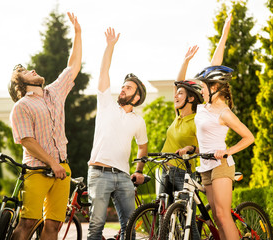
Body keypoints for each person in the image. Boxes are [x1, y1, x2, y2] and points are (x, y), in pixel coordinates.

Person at [8, 12, 81, 240]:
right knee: (28, 222)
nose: (33, 70)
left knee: (53, 226)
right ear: (21, 84)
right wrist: (52, 163)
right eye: (27, 72)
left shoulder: (55, 92)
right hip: (37, 170)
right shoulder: (21, 106)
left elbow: (74, 66)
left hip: (62, 168)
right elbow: (27, 141)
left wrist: (78, 33)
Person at [191, 14, 255, 240]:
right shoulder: (204, 106)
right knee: (216, 218)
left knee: (223, 214)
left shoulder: (224, 112)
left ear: (215, 87)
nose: (201, 90)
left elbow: (249, 138)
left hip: (221, 164)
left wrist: (228, 151)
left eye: (204, 86)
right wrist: (225, 30)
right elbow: (215, 62)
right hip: (205, 165)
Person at [87, 27, 148, 240]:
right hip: (99, 173)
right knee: (95, 227)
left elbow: (143, 145)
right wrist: (109, 46)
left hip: (123, 177)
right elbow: (104, 72)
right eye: (123, 86)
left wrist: (138, 169)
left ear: (137, 97)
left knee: (129, 227)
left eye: (129, 88)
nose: (123, 89)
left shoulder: (138, 121)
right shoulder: (106, 104)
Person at [155, 45, 203, 240]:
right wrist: (185, 61)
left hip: (183, 172)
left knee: (185, 218)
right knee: (162, 216)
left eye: (181, 94)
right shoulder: (178, 116)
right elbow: (177, 85)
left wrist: (191, 148)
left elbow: (203, 147)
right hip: (165, 170)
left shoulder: (196, 120)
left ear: (190, 98)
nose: (176, 96)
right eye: (177, 93)